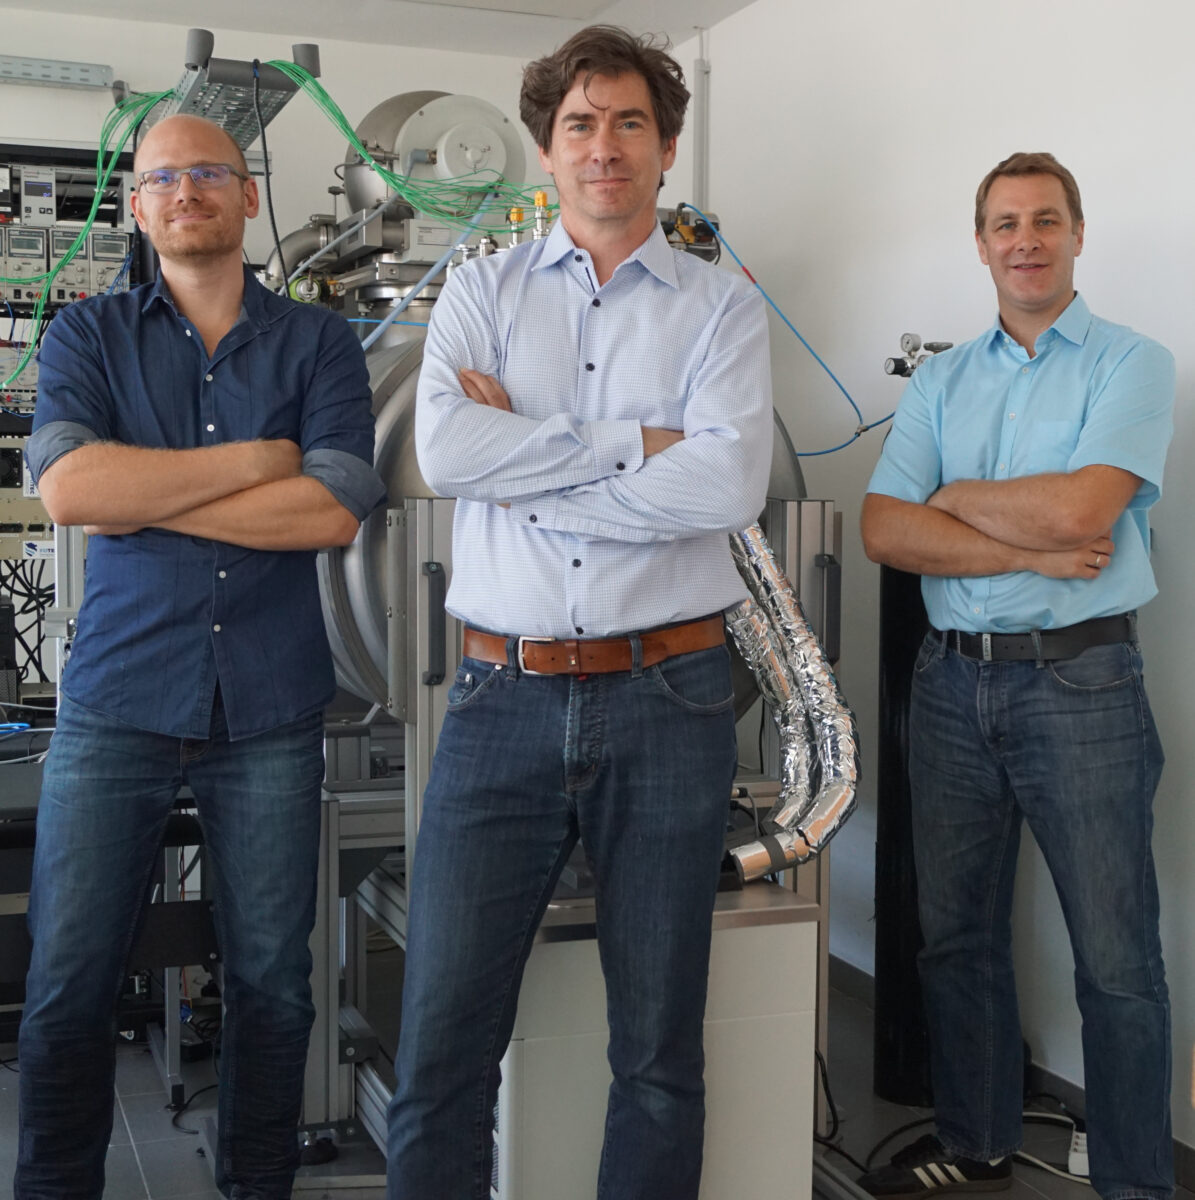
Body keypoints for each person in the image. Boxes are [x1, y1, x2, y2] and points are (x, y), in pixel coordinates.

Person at [386, 24, 773, 1200]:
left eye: (629, 124)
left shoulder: (722, 311)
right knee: (441, 1041)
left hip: (671, 696)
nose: (604, 146)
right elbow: (447, 450)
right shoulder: (479, 289)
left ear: (665, 151)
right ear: (546, 153)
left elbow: (728, 484)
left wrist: (542, 474)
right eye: (579, 125)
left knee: (656, 1051)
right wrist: (632, 453)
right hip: (501, 699)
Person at [16, 114, 385, 1199]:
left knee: (274, 982)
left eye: (208, 175)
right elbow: (73, 492)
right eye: (163, 179)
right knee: (68, 982)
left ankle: (257, 1184)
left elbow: (330, 515)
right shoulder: (86, 335)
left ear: (247, 197)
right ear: (137, 205)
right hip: (117, 701)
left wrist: (158, 497)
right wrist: (256, 465)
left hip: (268, 708)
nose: (186, 193)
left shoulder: (319, 344)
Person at [859, 152, 1174, 1200]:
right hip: (950, 686)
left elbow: (1087, 512)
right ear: (982, 241)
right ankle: (978, 1137)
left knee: (1115, 963)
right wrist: (1027, 546)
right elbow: (881, 528)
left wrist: (955, 494)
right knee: (955, 939)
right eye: (1003, 223)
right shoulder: (943, 378)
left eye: (1044, 219)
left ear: (1077, 233)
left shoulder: (1131, 364)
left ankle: (1133, 1180)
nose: (1024, 240)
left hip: (1081, 688)